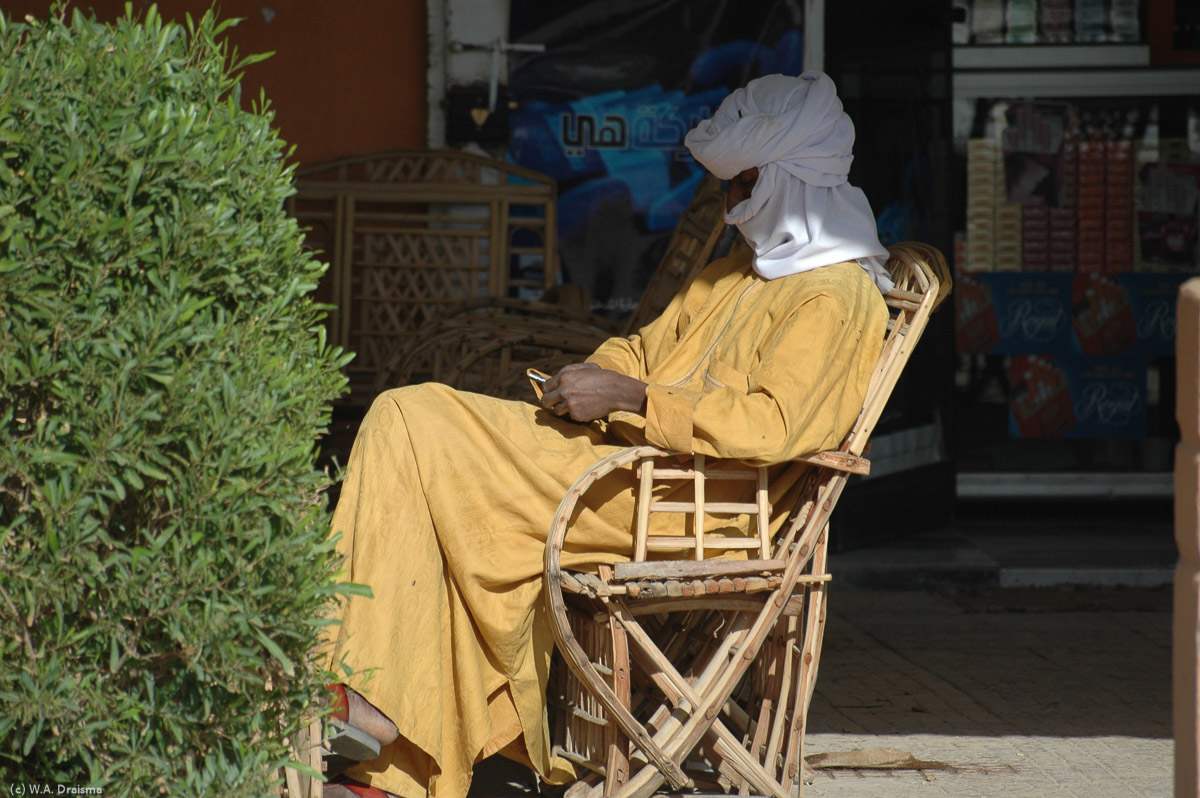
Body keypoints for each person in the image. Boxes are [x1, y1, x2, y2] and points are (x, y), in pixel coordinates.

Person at [322, 70, 892, 798]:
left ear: (787, 180)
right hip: (626, 467)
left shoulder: (837, 295)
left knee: (410, 419)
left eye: (741, 186)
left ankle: (356, 693)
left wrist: (633, 397)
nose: (728, 204)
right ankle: (391, 763)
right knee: (427, 477)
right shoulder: (735, 276)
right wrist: (595, 375)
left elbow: (776, 425)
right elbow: (643, 349)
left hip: (684, 502)